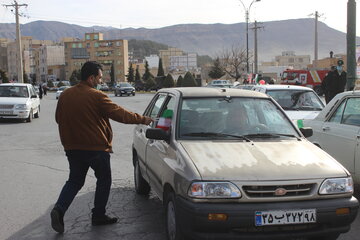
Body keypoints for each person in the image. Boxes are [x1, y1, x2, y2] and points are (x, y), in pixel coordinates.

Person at [51, 61, 153, 234]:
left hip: (72, 148)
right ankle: (98, 215)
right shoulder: (97, 96)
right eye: (99, 77)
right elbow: (120, 114)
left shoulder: (65, 95)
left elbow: (58, 119)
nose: (101, 80)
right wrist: (143, 119)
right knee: (104, 179)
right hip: (96, 149)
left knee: (75, 180)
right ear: (91, 78)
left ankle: (59, 209)